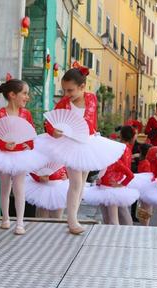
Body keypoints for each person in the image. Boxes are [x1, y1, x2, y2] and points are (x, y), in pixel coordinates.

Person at [41, 65, 125, 234]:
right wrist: (53, 131)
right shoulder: (64, 103)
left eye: (70, 90)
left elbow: (89, 122)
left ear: (82, 87)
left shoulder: (92, 99)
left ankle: (74, 216)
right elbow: (49, 122)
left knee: (82, 183)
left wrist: (85, 133)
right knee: (76, 182)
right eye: (64, 90)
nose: (66, 94)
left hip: (88, 144)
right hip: (70, 145)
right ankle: (71, 219)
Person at [0, 79, 47, 235]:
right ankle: (5, 218)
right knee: (5, 187)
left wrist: (29, 145)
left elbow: (31, 135)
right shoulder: (0, 114)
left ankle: (19, 222)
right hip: (4, 155)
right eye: (24, 93)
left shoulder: (26, 114)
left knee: (19, 187)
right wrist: (4, 145)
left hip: (21, 155)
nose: (27, 97)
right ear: (12, 95)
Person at [83, 149, 139, 225]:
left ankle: (115, 235)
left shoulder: (116, 163)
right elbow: (99, 176)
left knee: (113, 220)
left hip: (111, 192)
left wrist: (121, 184)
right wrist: (98, 182)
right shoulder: (102, 163)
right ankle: (108, 233)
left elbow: (130, 175)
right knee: (106, 219)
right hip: (101, 191)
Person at [100, 126, 138, 225]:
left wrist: (121, 184)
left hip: (113, 182)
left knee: (114, 215)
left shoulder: (119, 148)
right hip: (115, 181)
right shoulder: (126, 149)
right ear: (133, 137)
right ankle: (127, 232)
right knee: (120, 212)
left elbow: (124, 169)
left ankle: (124, 233)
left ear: (120, 135)